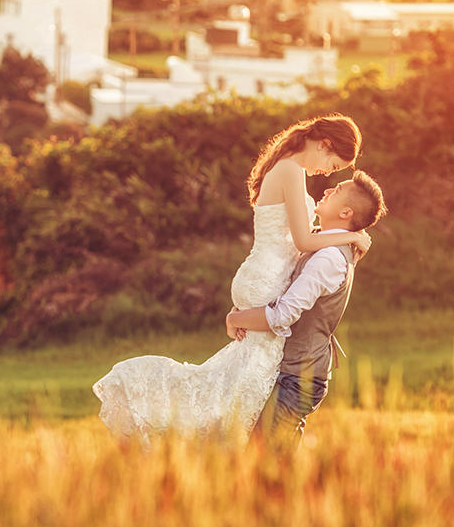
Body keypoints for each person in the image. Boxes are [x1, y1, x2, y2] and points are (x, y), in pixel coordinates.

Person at [92, 113, 371, 444]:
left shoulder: (284, 165)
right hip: (267, 277)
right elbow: (303, 242)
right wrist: (350, 238)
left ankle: (234, 444)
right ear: (325, 144)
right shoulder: (292, 171)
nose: (325, 173)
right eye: (331, 164)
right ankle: (221, 441)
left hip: (262, 272)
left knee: (238, 377)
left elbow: (299, 236)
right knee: (241, 382)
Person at [228, 170, 387, 450]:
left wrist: (235, 318)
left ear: (346, 212)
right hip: (287, 369)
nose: (326, 191)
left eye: (336, 190)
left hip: (298, 377)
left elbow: (283, 315)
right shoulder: (323, 242)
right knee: (261, 458)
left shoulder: (328, 257)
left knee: (266, 460)